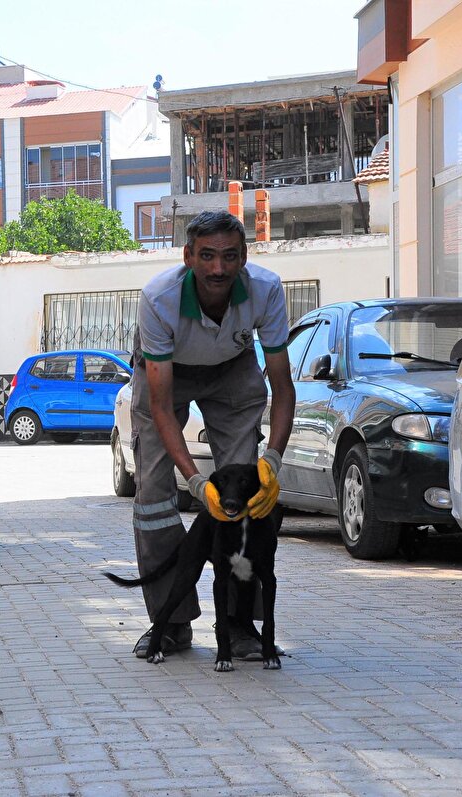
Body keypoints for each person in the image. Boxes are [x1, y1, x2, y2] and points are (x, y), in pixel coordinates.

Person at [128, 210, 294, 661]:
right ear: (188, 257)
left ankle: (239, 624)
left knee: (246, 494)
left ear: (244, 257)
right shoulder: (159, 298)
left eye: (229, 256)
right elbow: (162, 406)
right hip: (166, 373)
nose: (218, 268)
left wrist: (273, 462)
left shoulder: (267, 290)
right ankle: (171, 623)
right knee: (155, 497)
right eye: (207, 256)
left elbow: (282, 386)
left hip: (233, 368)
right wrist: (196, 481)